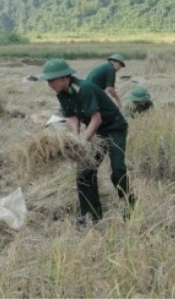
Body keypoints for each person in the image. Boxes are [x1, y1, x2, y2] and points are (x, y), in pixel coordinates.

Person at [40, 58, 133, 226]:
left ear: (63, 77)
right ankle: (91, 216)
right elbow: (72, 117)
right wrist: (76, 139)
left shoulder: (84, 89)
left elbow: (96, 118)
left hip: (114, 127)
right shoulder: (61, 93)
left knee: (117, 170)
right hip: (98, 131)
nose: (49, 84)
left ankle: (129, 206)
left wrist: (84, 141)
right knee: (85, 171)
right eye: (48, 80)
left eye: (51, 80)